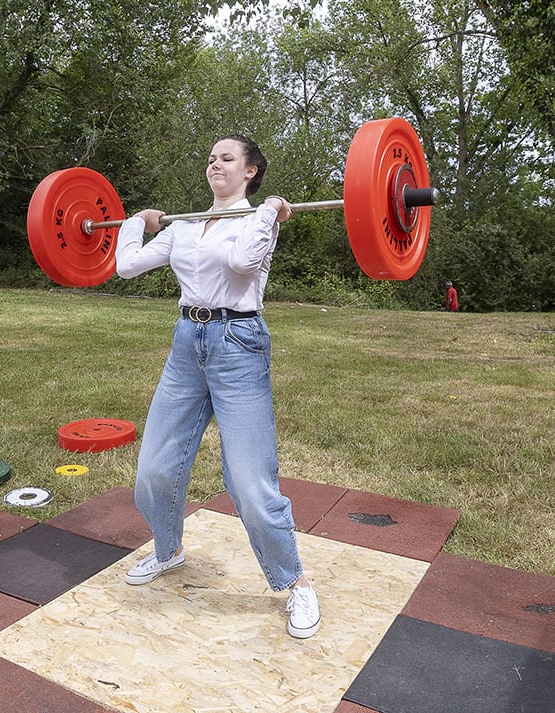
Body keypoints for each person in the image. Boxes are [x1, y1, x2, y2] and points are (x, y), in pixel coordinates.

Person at [113, 133, 320, 639]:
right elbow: (126, 266)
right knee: (154, 471)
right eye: (210, 158)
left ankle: (295, 582)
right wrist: (134, 223)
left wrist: (269, 213)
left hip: (239, 344)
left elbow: (243, 264)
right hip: (187, 344)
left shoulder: (257, 221)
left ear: (250, 171)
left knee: (249, 483)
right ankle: (168, 552)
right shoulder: (184, 227)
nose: (215, 164)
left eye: (227, 158)